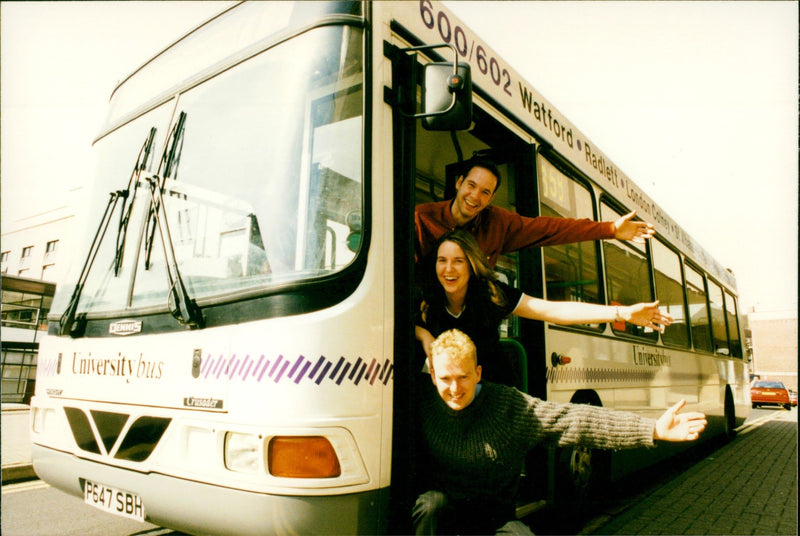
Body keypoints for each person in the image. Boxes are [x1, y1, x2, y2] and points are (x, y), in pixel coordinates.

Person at [412, 328, 707, 536]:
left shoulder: (508, 406)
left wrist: (651, 428)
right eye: (446, 378)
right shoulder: (422, 403)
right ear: (433, 376)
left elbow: (577, 420)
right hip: (444, 516)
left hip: (495, 520)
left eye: (463, 377)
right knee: (430, 505)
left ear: (478, 373)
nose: (454, 389)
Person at [415, 229, 671, 384]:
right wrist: (423, 334)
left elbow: (552, 310)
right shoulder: (427, 298)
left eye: (458, 261)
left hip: (490, 390)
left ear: (471, 265)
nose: (448, 269)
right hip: (446, 390)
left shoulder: (492, 294)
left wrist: (622, 312)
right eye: (442, 261)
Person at [414, 155, 655, 267]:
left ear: (491, 199)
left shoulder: (499, 223)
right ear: (458, 183)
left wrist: (611, 229)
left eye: (485, 192)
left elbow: (551, 229)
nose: (475, 196)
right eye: (471, 185)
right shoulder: (421, 218)